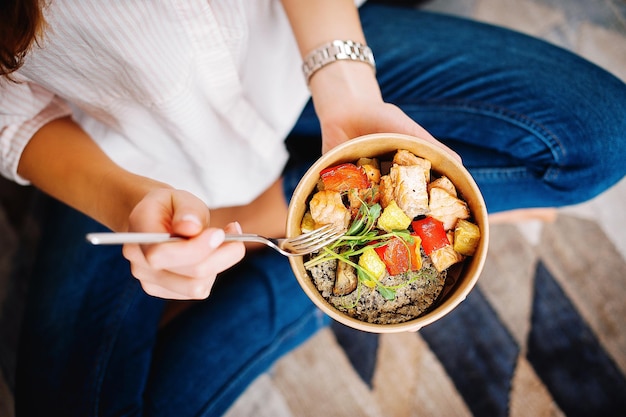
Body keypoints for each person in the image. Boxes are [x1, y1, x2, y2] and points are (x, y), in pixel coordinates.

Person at [1, 0, 625, 415]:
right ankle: (308, 253)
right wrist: (126, 201)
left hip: (303, 58)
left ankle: (300, 246)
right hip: (130, 150)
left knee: (604, 136)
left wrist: (349, 93)